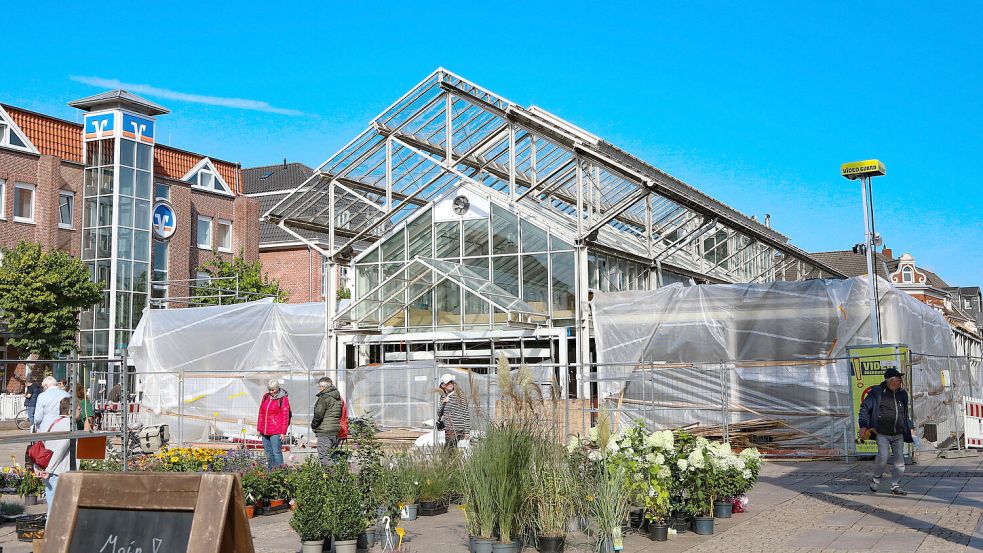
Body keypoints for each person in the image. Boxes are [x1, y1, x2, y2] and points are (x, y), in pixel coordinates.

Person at [858, 367, 914, 495]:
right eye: (898, 379)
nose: (900, 382)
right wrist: (863, 425)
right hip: (881, 433)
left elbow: (904, 414)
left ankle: (896, 485)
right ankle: (876, 479)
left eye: (900, 380)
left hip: (898, 433)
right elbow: (864, 409)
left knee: (900, 461)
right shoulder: (877, 393)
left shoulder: (902, 394)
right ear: (890, 381)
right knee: (883, 456)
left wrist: (910, 428)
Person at [38, 397, 73, 517]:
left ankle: (49, 535)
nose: (81, 411)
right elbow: (61, 449)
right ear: (70, 410)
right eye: (79, 408)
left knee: (52, 511)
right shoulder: (69, 424)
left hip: (48, 470)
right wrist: (49, 469)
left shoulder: (52, 422)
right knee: (59, 513)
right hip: (58, 472)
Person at [257, 379, 291, 470]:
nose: (271, 392)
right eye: (270, 390)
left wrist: (283, 432)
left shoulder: (283, 399)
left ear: (277, 388)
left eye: (273, 390)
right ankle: (270, 471)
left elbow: (285, 416)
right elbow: (261, 412)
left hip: (276, 430)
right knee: (268, 452)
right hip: (265, 429)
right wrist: (259, 428)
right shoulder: (266, 397)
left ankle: (280, 472)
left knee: (276, 452)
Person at [311, 377, 342, 466]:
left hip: (325, 431)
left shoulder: (324, 398)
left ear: (323, 387)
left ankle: (331, 477)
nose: (319, 388)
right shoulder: (337, 397)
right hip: (335, 430)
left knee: (324, 457)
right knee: (332, 456)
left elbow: (318, 414)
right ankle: (337, 476)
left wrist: (313, 425)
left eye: (320, 386)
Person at [437, 374, 471, 448]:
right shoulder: (443, 396)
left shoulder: (459, 394)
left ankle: (446, 460)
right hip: (448, 429)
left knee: (448, 450)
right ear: (443, 385)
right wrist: (443, 403)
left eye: (451, 382)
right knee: (451, 450)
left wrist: (467, 431)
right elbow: (439, 413)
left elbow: (465, 412)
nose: (450, 384)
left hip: (457, 428)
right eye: (448, 382)